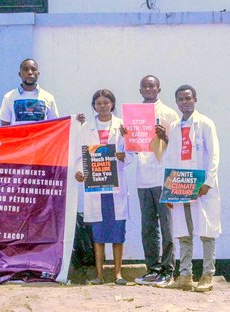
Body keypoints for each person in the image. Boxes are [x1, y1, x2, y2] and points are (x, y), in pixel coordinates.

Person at [158, 85, 220, 292]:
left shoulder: (206, 124)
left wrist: (208, 182)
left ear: (195, 99)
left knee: (206, 230)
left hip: (202, 186)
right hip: (181, 186)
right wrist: (168, 190)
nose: (184, 102)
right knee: (183, 231)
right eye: (181, 99)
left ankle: (207, 275)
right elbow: (169, 158)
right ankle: (185, 275)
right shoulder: (175, 126)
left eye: (188, 98)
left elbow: (214, 155)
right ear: (176, 102)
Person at [75, 89, 132, 285]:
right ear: (94, 106)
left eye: (106, 102)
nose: (102, 106)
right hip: (95, 185)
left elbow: (131, 152)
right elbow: (79, 155)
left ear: (112, 104)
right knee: (98, 234)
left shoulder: (122, 126)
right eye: (98, 103)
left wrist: (125, 156)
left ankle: (118, 274)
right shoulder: (86, 128)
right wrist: (79, 172)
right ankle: (99, 275)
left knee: (117, 231)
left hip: (115, 186)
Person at [127, 75, 179, 286]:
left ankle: (168, 271)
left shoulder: (169, 113)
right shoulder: (133, 114)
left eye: (152, 85)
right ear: (140, 90)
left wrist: (165, 136)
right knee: (148, 227)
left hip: (164, 176)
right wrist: (126, 136)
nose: (148, 88)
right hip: (143, 177)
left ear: (159, 88)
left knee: (167, 226)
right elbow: (131, 147)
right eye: (144, 86)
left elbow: (177, 144)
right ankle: (153, 268)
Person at [0, 58, 59, 126]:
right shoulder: (9, 97)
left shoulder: (48, 98)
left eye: (33, 69)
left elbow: (54, 126)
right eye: (26, 69)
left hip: (40, 137)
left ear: (38, 73)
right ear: (20, 74)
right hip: (17, 137)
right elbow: (4, 127)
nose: (30, 72)